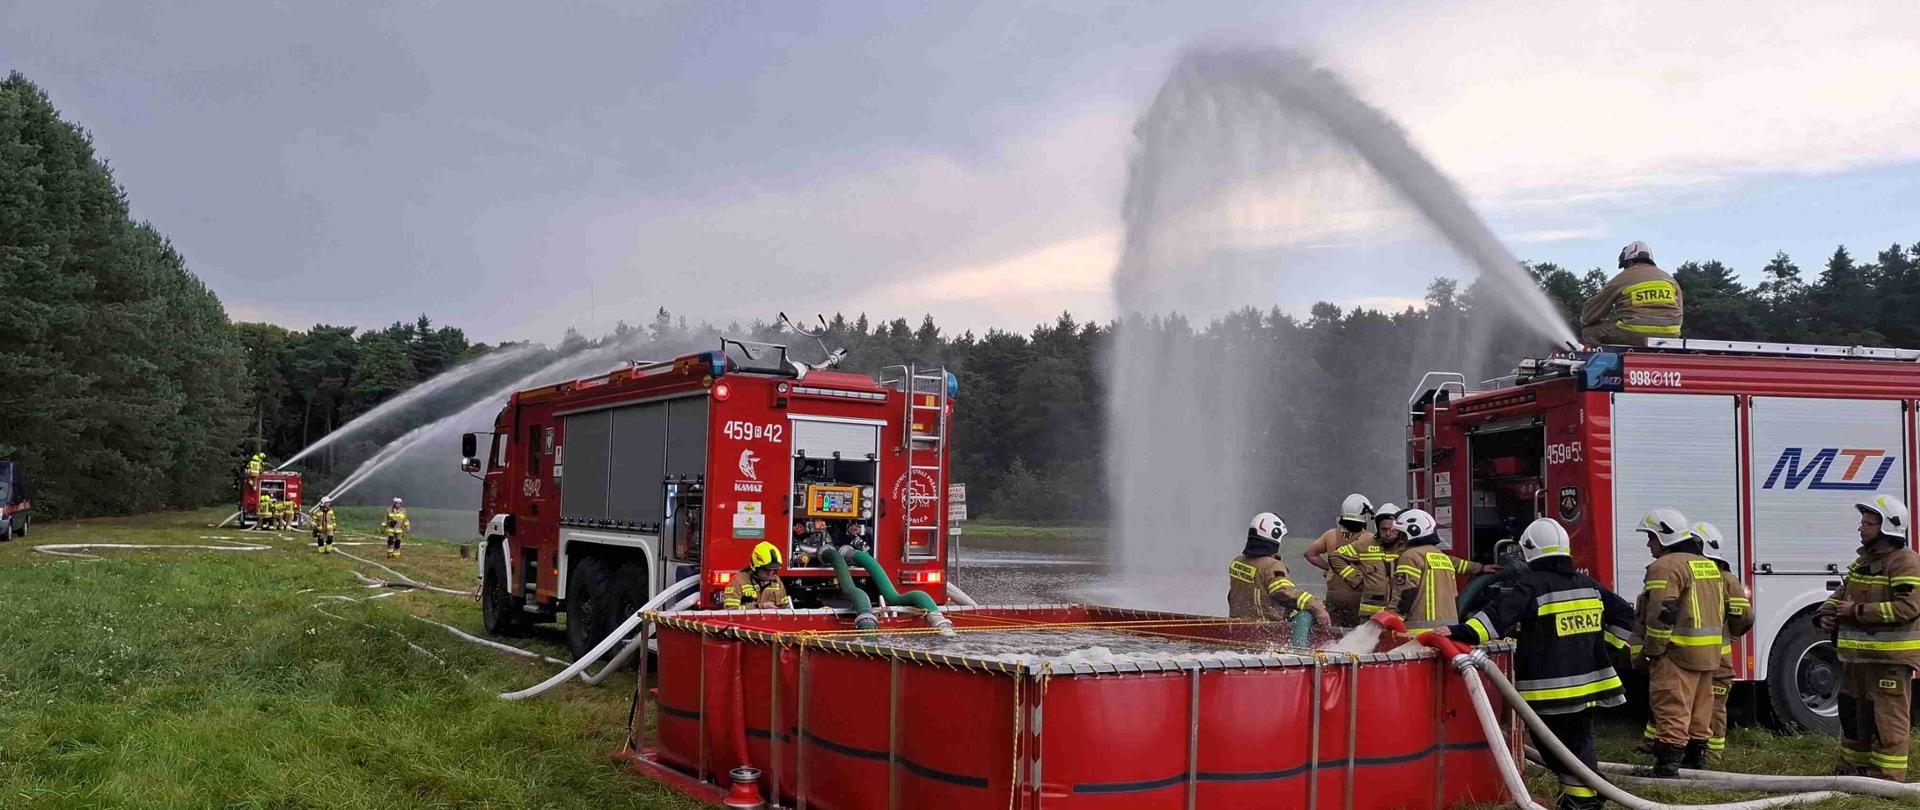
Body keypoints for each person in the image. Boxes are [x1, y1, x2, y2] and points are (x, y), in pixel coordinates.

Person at [1438, 519, 1633, 810]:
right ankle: (1585, 795)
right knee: (1578, 744)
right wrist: (1607, 650)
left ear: (1529, 552)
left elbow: (1491, 623)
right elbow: (1625, 616)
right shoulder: (1587, 583)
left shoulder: (1531, 585)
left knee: (1558, 752)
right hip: (1592, 688)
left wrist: (1454, 631)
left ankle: (1583, 802)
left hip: (1551, 692)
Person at [1816, 494, 1920, 782]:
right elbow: (1842, 594)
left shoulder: (1905, 563)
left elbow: (1908, 608)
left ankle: (1888, 777)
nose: (1861, 528)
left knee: (1888, 719)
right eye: (1862, 522)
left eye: (1868, 523)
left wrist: (1858, 611)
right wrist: (1826, 613)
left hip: (1889, 659)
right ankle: (1853, 770)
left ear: (1887, 527)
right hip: (1857, 659)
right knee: (1853, 715)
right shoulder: (1863, 562)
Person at [1633, 507, 1725, 776]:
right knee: (1700, 710)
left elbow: (1662, 611)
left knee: (1672, 706)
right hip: (1708, 654)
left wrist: (1653, 650)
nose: (1649, 544)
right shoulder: (1706, 564)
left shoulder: (1665, 566)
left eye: (1650, 537)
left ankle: (1667, 767)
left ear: (1663, 536)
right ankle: (1695, 761)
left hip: (1677, 653)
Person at [1388, 508, 1496, 634]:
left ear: (1413, 531)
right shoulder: (1441, 556)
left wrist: (1390, 620)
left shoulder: (1410, 556)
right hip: (1448, 631)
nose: (1399, 539)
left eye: (1401, 534)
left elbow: (1405, 593)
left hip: (1420, 632)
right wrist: (1480, 568)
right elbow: (1459, 564)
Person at [1227, 512, 1331, 628]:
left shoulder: (1237, 561)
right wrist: (1317, 607)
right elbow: (1283, 593)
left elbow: (1233, 595)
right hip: (1265, 629)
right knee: (1304, 616)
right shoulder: (1272, 566)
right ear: (1275, 536)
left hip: (1236, 625)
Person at [1579, 241, 1684, 347]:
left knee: (1589, 332)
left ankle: (1604, 362)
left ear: (1629, 262)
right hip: (1670, 334)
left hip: (1633, 331)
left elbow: (1595, 309)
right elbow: (1680, 310)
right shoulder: (1669, 279)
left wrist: (1585, 320)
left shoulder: (1622, 278)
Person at [1327, 502, 1403, 626]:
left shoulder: (1406, 548)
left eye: (1393, 529)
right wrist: (1356, 579)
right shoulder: (1366, 544)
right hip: (1369, 616)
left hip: (1398, 615)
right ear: (1377, 527)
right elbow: (1336, 557)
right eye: (1384, 529)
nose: (1388, 533)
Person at [1309, 494, 1375, 625]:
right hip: (1356, 598)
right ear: (1364, 516)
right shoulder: (1368, 538)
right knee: (1354, 637)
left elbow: (1310, 553)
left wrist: (1329, 568)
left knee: (1333, 635)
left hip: (1333, 597)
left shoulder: (1330, 535)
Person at [722, 541, 794, 609]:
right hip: (745, 622)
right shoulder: (738, 581)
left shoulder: (777, 582)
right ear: (755, 567)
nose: (771, 573)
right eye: (767, 569)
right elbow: (730, 611)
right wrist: (759, 607)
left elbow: (785, 607)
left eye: (775, 569)